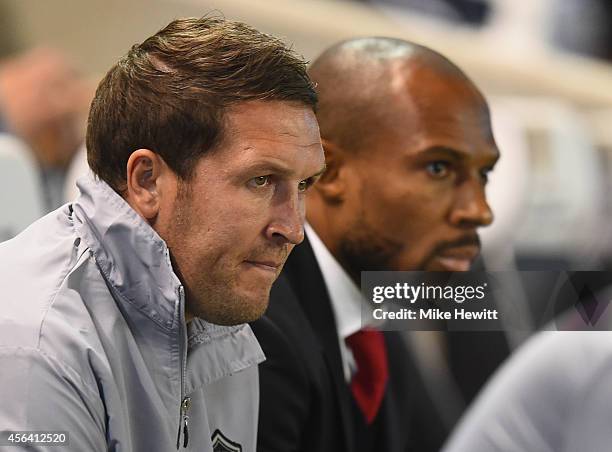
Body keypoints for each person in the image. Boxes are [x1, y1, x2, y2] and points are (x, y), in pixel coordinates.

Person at [0, 16, 325, 451]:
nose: (293, 229)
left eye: (303, 185)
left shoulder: (220, 313)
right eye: (261, 181)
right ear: (148, 181)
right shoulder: (34, 350)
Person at [251, 37, 500, 452]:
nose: (479, 211)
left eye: (484, 175)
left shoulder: (377, 324)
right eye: (439, 168)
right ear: (327, 172)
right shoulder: (259, 330)